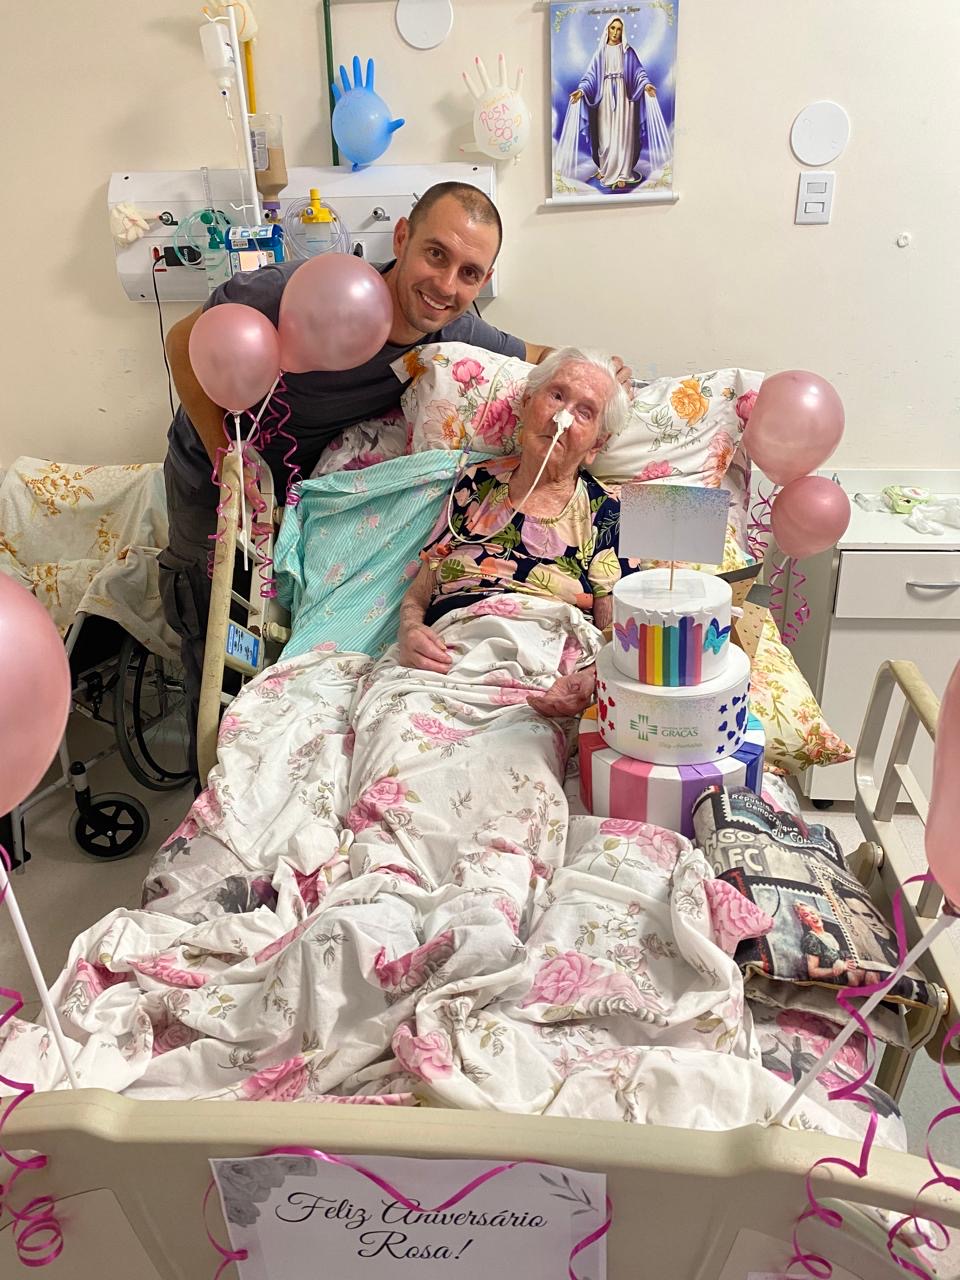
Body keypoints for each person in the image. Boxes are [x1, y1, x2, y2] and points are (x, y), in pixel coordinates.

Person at [159, 182, 633, 770]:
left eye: (469, 273)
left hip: (302, 483)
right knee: (210, 618)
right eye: (436, 254)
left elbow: (543, 359)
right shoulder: (297, 288)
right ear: (402, 237)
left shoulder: (455, 332)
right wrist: (228, 462)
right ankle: (204, 773)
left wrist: (607, 373)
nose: (446, 285)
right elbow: (183, 340)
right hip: (217, 465)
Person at [396, 346, 631, 718]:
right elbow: (421, 590)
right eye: (557, 395)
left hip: (542, 673)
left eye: (585, 412)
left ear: (596, 446)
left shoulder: (606, 511)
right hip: (448, 659)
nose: (562, 417)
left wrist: (591, 678)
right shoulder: (475, 483)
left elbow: (619, 630)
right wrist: (409, 630)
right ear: (526, 403)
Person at [570, 16, 658, 190]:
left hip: (625, 98)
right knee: (606, 137)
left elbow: (639, 73)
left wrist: (646, 85)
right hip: (605, 96)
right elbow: (590, 76)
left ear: (622, 32)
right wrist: (581, 91)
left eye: (619, 29)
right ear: (607, 29)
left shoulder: (627, 52)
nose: (615, 32)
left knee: (623, 136)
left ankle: (623, 173)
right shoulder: (600, 53)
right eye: (613, 28)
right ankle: (605, 168)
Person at [794, 902, 866, 986]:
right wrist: (838, 969)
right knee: (865, 974)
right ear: (804, 921)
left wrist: (846, 961)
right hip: (836, 978)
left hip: (847, 973)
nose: (812, 916)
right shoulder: (811, 939)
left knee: (870, 972)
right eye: (807, 915)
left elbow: (841, 955)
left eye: (813, 913)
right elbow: (813, 972)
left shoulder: (829, 935)